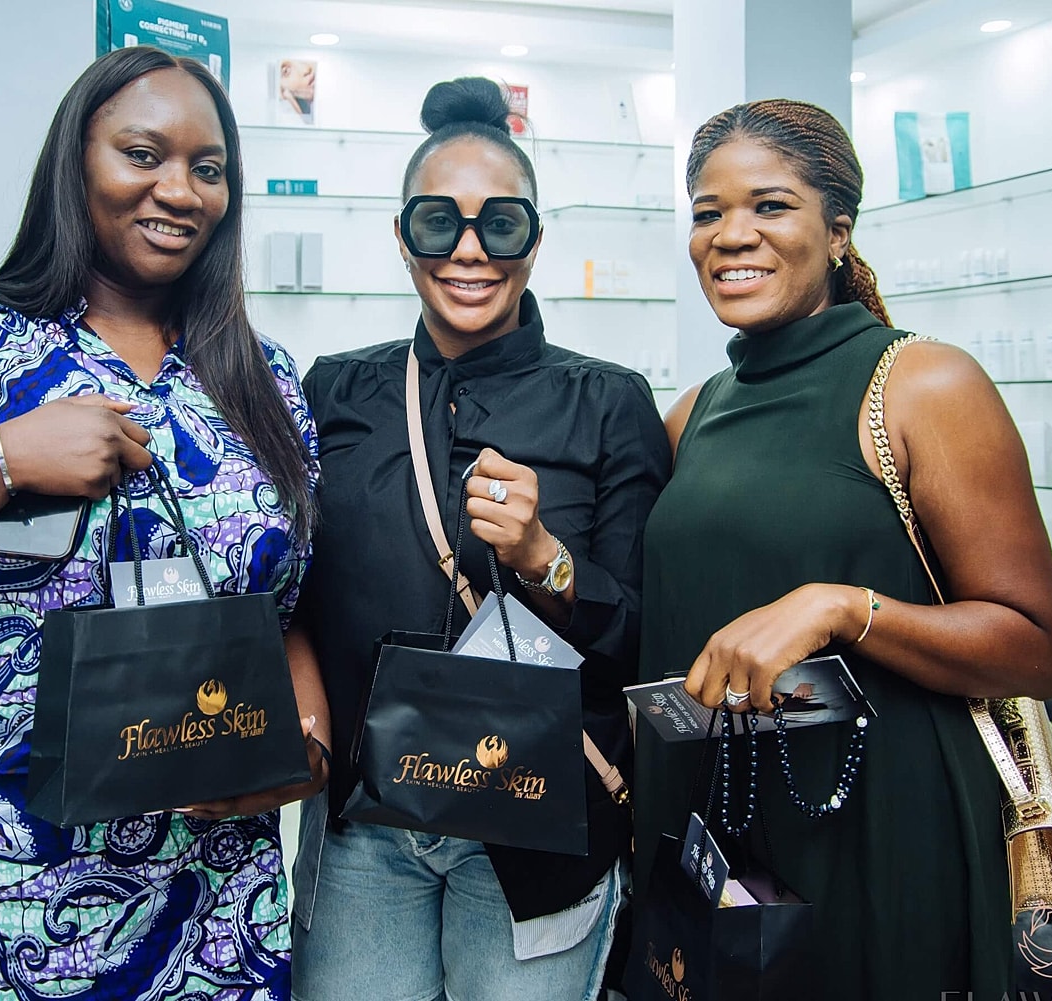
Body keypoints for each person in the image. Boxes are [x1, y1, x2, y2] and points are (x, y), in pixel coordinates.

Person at [0, 47, 329, 1000]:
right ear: (75, 162)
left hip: (221, 906)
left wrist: (305, 750)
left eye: (208, 168)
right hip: (3, 900)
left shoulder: (266, 378)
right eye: (142, 154)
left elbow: (284, 613)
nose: (180, 191)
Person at [634, 99, 1052, 1000]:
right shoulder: (693, 413)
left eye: (770, 205)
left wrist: (841, 606)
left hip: (882, 832)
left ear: (838, 231)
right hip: (722, 832)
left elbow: (1037, 647)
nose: (731, 235)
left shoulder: (922, 385)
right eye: (708, 212)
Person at [288, 77, 671, 1001]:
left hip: (538, 826)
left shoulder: (608, 401)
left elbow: (644, 639)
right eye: (439, 223)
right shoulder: (335, 390)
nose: (469, 251)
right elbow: (291, 590)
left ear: (534, 238)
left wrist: (546, 560)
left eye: (500, 225)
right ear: (401, 235)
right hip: (368, 827)